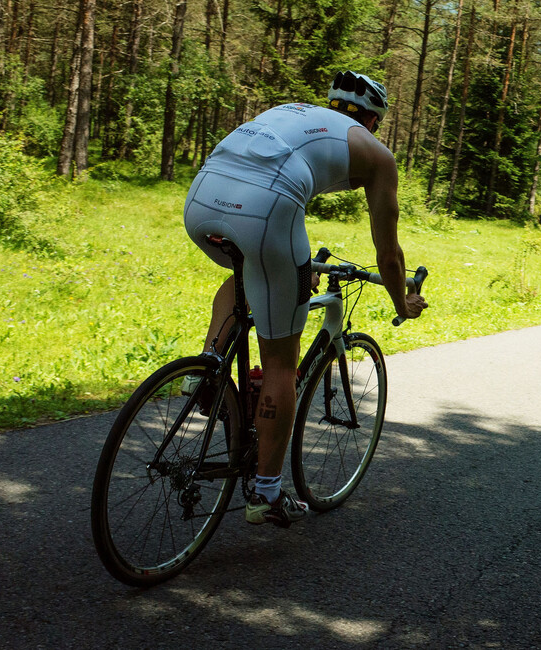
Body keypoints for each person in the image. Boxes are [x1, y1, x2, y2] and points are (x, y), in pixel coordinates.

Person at [183, 71, 427, 527]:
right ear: (374, 121)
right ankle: (267, 492)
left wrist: (291, 267)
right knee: (281, 362)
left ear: (332, 105)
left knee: (247, 271)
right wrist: (402, 304)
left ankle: (207, 366)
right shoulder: (376, 154)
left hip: (201, 195)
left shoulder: (295, 114)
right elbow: (388, 254)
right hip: (265, 206)